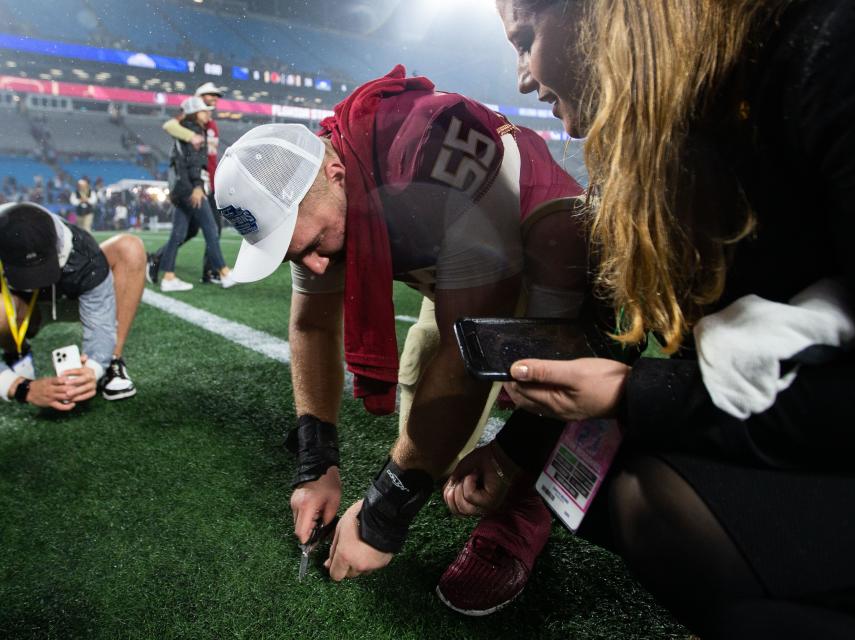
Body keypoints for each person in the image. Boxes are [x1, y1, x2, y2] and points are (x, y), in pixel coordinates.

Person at [442, 0, 855, 638]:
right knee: (596, 482)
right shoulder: (669, 128)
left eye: (524, 40)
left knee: (659, 506)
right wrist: (518, 451)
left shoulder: (852, 47)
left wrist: (637, 394)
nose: (521, 76)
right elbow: (625, 329)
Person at [214, 66, 588, 606]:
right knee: (420, 369)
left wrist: (385, 510)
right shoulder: (320, 185)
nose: (317, 267)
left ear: (338, 172)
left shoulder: (428, 159)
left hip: (546, 258)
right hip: (460, 263)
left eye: (317, 241)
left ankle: (524, 509)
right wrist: (317, 462)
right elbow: (312, 323)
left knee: (539, 379)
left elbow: (467, 354)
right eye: (298, 254)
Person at [0, 202, 144, 408]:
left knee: (129, 248)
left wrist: (94, 368)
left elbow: (100, 320)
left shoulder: (82, 250)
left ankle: (112, 361)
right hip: (20, 305)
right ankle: (16, 350)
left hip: (73, 298)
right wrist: (19, 387)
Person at [153, 96, 236, 292]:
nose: (209, 113)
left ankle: (168, 276)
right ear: (194, 113)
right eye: (204, 110)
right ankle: (224, 272)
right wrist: (198, 186)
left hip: (181, 188)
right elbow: (194, 163)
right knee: (210, 230)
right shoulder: (195, 131)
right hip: (192, 189)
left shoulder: (185, 131)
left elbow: (181, 161)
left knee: (178, 234)